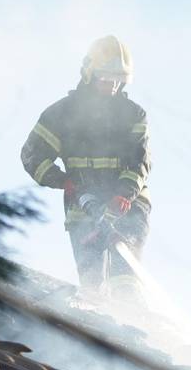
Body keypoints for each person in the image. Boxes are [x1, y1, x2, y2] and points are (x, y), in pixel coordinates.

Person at [21, 35, 151, 305]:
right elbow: (32, 155)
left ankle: (133, 315)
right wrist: (62, 180)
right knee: (93, 286)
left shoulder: (133, 115)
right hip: (83, 209)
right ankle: (101, 322)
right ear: (90, 73)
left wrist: (124, 194)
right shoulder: (61, 115)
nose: (112, 85)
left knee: (124, 273)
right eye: (106, 78)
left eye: (118, 79)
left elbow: (139, 162)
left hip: (126, 205)